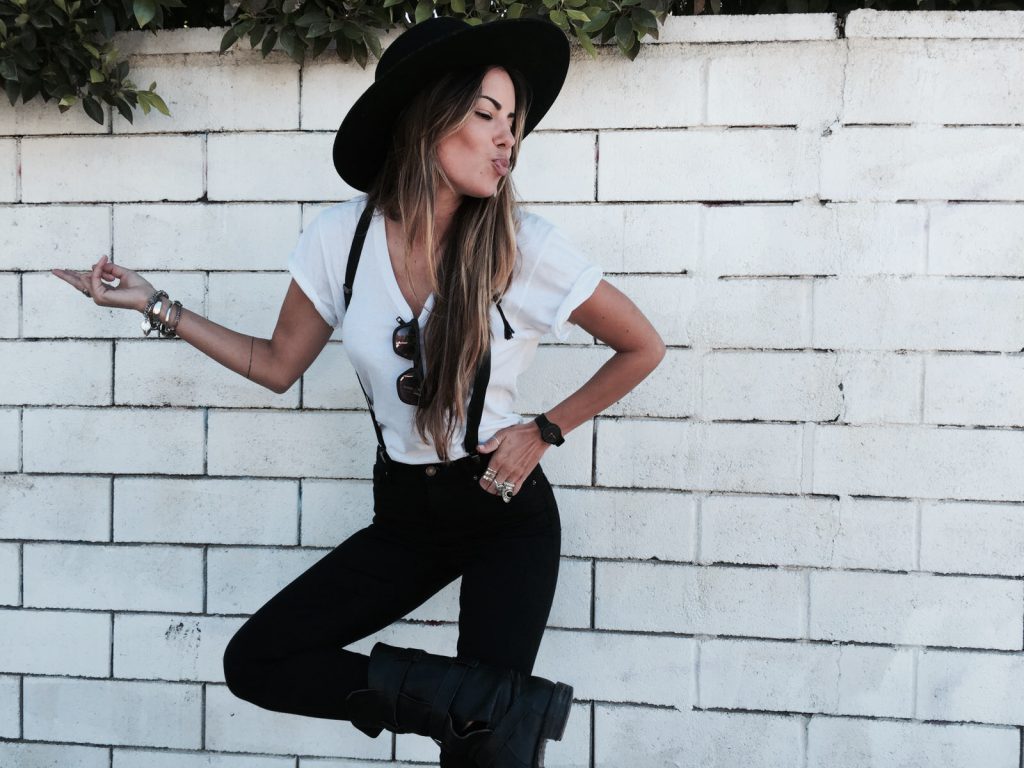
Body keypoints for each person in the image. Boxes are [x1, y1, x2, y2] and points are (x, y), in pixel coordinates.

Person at [51, 16, 665, 768]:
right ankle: (477, 707)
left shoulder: (524, 246)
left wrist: (545, 429)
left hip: (503, 510)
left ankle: (485, 717)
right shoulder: (339, 240)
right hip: (407, 514)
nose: (508, 139)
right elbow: (276, 364)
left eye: (514, 121)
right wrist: (157, 306)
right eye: (486, 115)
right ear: (428, 119)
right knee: (260, 660)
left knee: (483, 759)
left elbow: (643, 346)